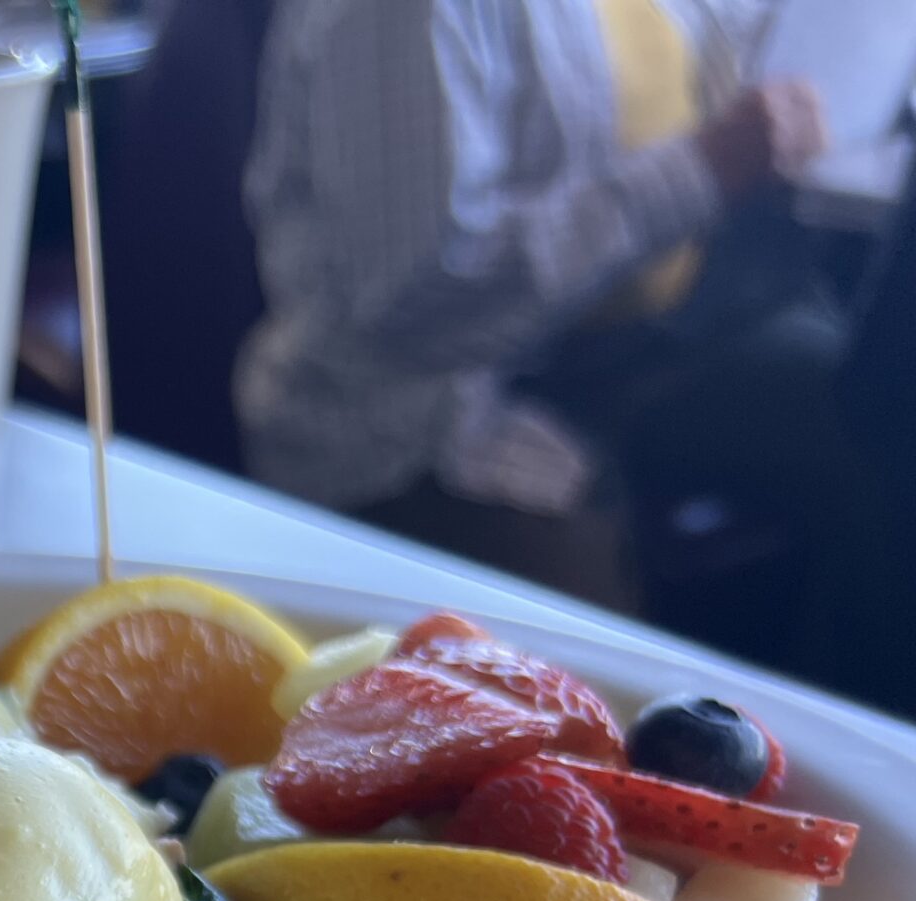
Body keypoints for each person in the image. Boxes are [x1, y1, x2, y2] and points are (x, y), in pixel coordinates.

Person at [238, 0, 888, 681]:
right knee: (572, 709)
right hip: (439, 411)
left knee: (884, 415)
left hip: (648, 335)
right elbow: (416, 298)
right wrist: (702, 168)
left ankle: (861, 755)